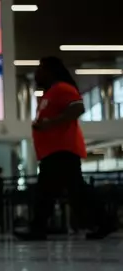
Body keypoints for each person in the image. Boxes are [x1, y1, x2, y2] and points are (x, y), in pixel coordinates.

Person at [14, 56, 114, 241]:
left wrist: (51, 123)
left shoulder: (62, 89)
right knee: (69, 191)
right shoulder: (50, 93)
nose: (37, 73)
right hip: (53, 151)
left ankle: (38, 228)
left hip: (62, 150)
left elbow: (78, 107)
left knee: (54, 191)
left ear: (50, 71)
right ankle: (105, 221)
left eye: (40, 69)